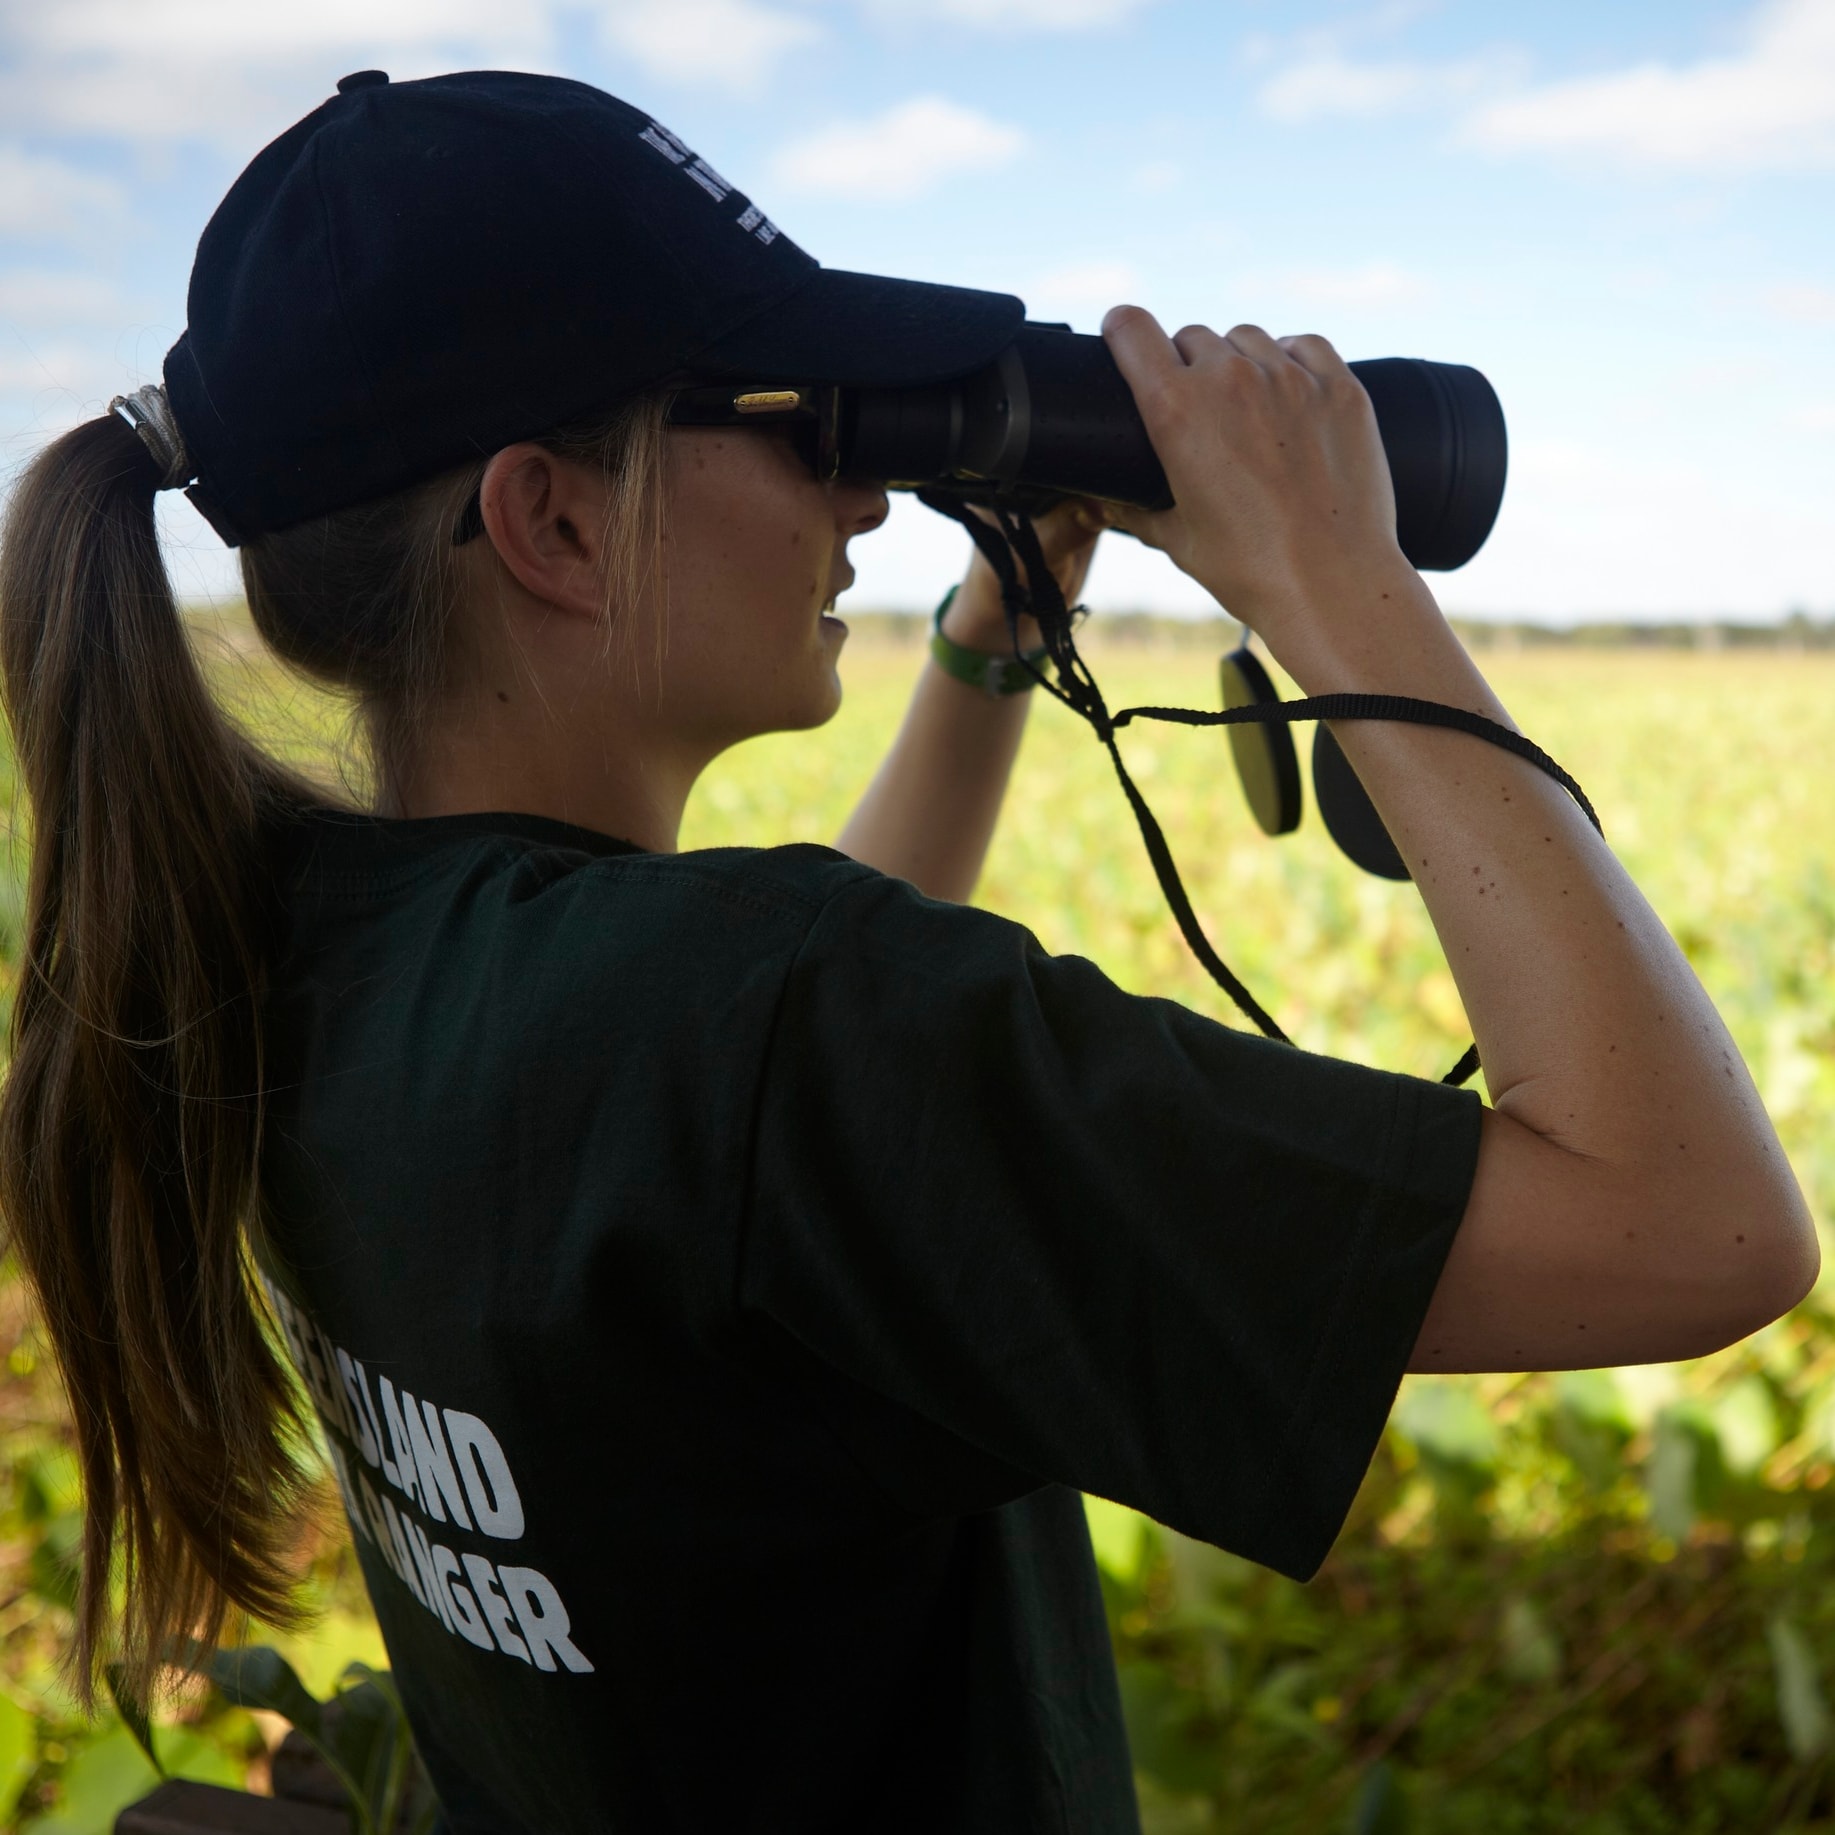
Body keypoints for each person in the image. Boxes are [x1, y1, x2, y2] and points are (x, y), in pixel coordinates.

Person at [0, 68, 1814, 1835]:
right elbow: (1695, 1230)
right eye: (801, 419)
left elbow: (770, 1146)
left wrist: (1001, 621)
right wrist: (1337, 578)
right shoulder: (751, 1025)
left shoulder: (300, 948)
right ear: (550, 519)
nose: (859, 496)